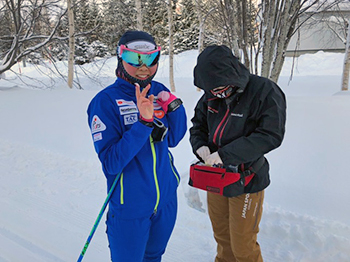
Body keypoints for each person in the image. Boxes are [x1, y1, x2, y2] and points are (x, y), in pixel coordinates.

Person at [87, 30, 187, 262]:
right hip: (130, 207)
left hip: (165, 201)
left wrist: (175, 107)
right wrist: (143, 123)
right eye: (134, 59)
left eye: (151, 59)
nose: (144, 67)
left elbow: (173, 138)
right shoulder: (105, 102)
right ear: (121, 59)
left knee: (153, 257)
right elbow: (111, 163)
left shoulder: (157, 89)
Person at [189, 45, 286, 262]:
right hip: (215, 177)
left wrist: (226, 155)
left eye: (220, 88)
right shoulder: (211, 94)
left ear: (231, 74)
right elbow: (198, 125)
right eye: (212, 89)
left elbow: (271, 135)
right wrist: (199, 146)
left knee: (243, 246)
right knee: (223, 240)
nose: (216, 93)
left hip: (246, 179)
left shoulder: (264, 91)